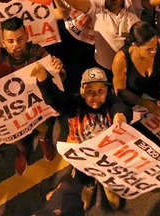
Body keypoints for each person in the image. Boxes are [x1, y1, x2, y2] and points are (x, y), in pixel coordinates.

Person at [0, 11, 63, 173]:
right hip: (11, 110)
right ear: (3, 42)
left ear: (27, 36)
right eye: (10, 41)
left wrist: (58, 68)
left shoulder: (37, 52)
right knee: (15, 134)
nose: (16, 45)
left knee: (43, 125)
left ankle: (43, 139)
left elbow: (58, 77)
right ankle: (21, 149)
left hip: (35, 106)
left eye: (20, 39)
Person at [33, 63, 131, 211]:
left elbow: (120, 106)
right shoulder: (75, 104)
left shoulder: (110, 101)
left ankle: (108, 185)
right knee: (82, 176)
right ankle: (89, 185)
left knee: (111, 170)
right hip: (84, 154)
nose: (95, 96)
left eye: (100, 91)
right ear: (82, 91)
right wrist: (43, 78)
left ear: (107, 91)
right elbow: (55, 99)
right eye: (89, 91)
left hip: (108, 153)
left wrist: (121, 115)